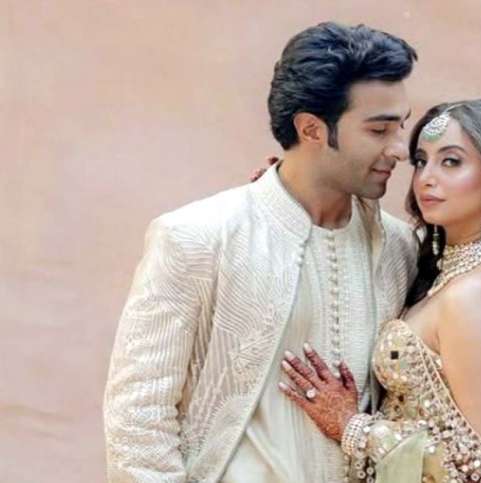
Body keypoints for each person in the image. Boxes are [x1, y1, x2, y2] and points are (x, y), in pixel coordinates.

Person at [103, 22, 419, 482]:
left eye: (401, 126)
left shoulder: (399, 248)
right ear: (311, 129)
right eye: (379, 130)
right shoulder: (198, 236)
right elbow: (138, 420)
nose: (399, 149)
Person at [280, 99, 481, 482]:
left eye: (451, 161)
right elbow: (373, 239)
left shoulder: (477, 295)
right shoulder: (453, 269)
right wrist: (294, 194)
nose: (426, 178)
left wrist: (352, 426)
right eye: (422, 161)